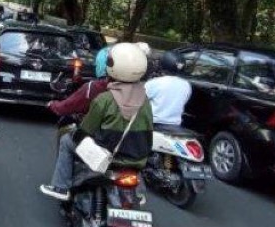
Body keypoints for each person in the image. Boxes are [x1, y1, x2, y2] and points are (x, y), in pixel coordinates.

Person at [40, 43, 154, 201]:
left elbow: (86, 130)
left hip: (107, 156)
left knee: (67, 141)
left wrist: (77, 135)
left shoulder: (104, 99)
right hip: (137, 159)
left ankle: (61, 187)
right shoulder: (145, 99)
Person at [47, 46, 111, 125]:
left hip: (98, 133)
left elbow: (67, 106)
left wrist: (53, 104)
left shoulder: (92, 88)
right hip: (126, 135)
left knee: (67, 135)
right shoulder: (130, 89)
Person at [144, 51, 192, 127]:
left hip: (153, 123)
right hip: (175, 124)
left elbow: (140, 101)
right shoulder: (186, 85)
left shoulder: (154, 83)